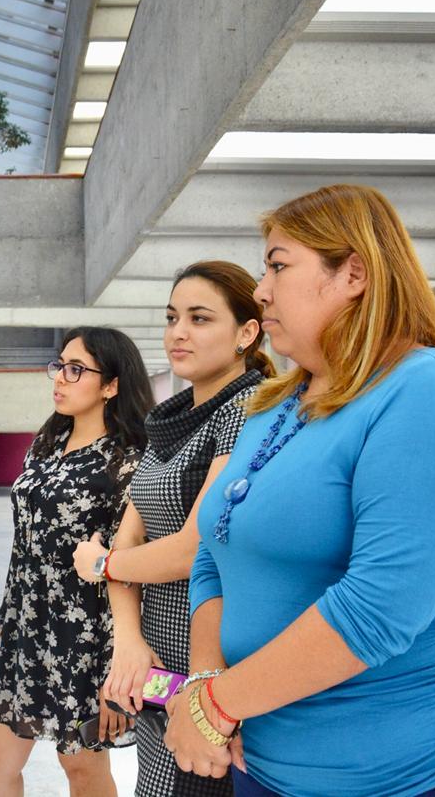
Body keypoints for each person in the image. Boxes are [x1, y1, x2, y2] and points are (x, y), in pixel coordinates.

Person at [168, 185, 435, 796]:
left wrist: (218, 706)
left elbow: (379, 609)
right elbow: (211, 551)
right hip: (264, 763)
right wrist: (204, 684)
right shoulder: (271, 405)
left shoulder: (427, 391)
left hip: (407, 772)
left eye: (278, 265)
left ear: (353, 272)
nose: (262, 290)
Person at [71, 261, 274, 797]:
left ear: (247, 333)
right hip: (156, 657)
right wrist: (129, 642)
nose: (178, 332)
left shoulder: (247, 410)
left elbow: (193, 548)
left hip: (212, 660)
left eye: (200, 318)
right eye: (171, 317)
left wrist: (101, 566)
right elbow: (128, 535)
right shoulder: (172, 417)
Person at [0, 327, 153, 797]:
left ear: (112, 385)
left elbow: (129, 562)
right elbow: (25, 544)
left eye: (76, 370)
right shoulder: (47, 443)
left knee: (81, 770)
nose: (60, 378)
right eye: (59, 366)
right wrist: (9, 619)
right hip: (27, 628)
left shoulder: (129, 461)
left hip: (87, 638)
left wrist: (119, 663)